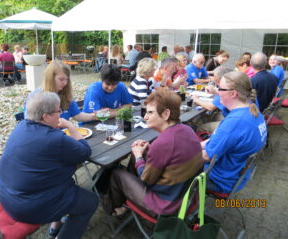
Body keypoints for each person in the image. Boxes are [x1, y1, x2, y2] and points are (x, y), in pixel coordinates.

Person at [0, 91, 98, 239]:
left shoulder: (21, 126)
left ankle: (56, 223)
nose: (61, 113)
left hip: (6, 196)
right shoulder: (55, 139)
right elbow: (84, 152)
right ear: (45, 116)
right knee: (91, 201)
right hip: (28, 207)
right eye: (58, 110)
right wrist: (70, 125)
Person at [103, 88, 204, 216]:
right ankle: (125, 193)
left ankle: (111, 208)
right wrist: (148, 150)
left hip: (165, 204)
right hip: (183, 195)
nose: (145, 117)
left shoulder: (162, 143)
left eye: (150, 112)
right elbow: (171, 155)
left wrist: (139, 156)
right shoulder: (186, 129)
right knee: (138, 157)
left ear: (166, 114)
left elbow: (146, 180)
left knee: (117, 174)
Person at [201, 71, 267, 193]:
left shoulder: (235, 122)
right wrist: (194, 145)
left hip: (220, 180)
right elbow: (218, 141)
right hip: (236, 175)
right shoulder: (253, 111)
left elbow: (206, 156)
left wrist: (178, 155)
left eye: (219, 88)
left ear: (233, 93)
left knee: (172, 168)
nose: (217, 91)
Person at [24, 61, 97, 122]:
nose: (65, 83)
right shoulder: (35, 98)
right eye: (61, 79)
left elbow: (77, 115)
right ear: (50, 78)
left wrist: (94, 116)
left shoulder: (65, 95)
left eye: (67, 79)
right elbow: (31, 125)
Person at [192, 66, 234, 133]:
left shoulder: (225, 91)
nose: (213, 78)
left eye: (213, 76)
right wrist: (215, 90)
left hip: (231, 124)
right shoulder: (233, 85)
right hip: (233, 118)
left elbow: (210, 107)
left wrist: (196, 99)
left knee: (200, 127)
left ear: (217, 79)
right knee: (211, 116)